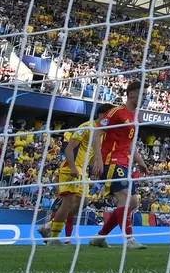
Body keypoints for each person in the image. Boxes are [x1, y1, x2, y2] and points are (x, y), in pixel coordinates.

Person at [88, 80, 149, 249]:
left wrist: (141, 162)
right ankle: (129, 240)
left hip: (125, 162)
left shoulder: (135, 116)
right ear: (131, 94)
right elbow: (97, 132)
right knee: (125, 197)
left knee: (134, 203)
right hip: (111, 160)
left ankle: (100, 237)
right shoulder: (116, 112)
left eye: (146, 94)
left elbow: (130, 144)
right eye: (142, 94)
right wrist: (98, 158)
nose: (145, 97)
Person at [38, 111, 101, 245]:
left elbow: (90, 154)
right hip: (72, 167)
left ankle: (49, 226)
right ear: (102, 115)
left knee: (84, 202)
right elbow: (69, 148)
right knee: (67, 203)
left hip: (83, 171)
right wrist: (72, 167)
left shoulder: (101, 133)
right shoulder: (87, 126)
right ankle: (54, 238)